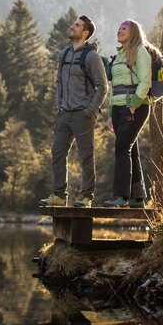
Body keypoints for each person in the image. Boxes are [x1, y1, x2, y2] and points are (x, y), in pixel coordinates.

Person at [38, 15, 108, 208]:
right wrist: (59, 105)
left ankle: (86, 196)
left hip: (82, 115)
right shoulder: (64, 54)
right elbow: (59, 81)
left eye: (76, 26)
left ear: (85, 33)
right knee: (57, 153)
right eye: (73, 24)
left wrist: (90, 110)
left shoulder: (91, 56)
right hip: (64, 114)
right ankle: (59, 195)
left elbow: (103, 86)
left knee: (86, 155)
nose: (72, 27)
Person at [103, 19, 155, 208]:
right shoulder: (118, 56)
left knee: (122, 148)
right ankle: (138, 197)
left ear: (133, 32)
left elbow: (145, 82)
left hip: (135, 107)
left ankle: (121, 196)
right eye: (118, 28)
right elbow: (114, 87)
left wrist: (133, 105)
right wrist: (110, 114)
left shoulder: (140, 52)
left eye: (124, 28)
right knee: (130, 149)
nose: (119, 30)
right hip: (118, 108)